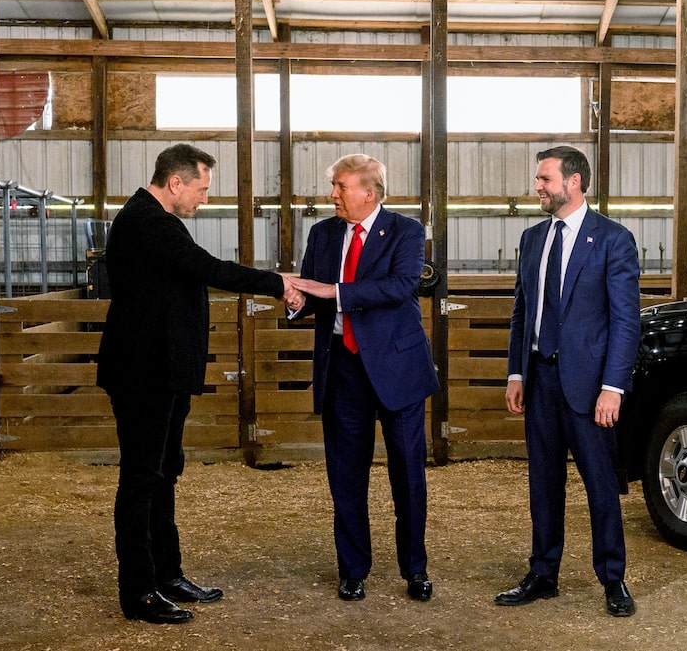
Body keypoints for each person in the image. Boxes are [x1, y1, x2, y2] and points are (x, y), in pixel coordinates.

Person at [96, 144, 300, 624]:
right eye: (202, 189)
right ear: (176, 183)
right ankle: (139, 590)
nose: (204, 199)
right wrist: (277, 282)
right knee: (142, 478)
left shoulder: (156, 220)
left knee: (164, 472)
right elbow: (210, 269)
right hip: (144, 372)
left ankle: (167, 574)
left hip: (163, 369)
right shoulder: (149, 222)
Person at [287, 154, 439, 603]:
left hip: (398, 369)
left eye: (339, 186)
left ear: (368, 193)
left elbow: (400, 286)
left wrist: (333, 292)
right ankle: (353, 569)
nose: (332, 193)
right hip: (343, 369)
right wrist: (297, 300)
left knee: (408, 475)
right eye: (333, 186)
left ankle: (415, 568)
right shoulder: (323, 233)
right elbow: (313, 293)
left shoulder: (407, 232)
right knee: (346, 475)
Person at [497, 146, 641, 617]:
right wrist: (516, 372)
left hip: (590, 386)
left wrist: (613, 387)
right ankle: (543, 573)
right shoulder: (532, 238)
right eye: (538, 179)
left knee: (600, 485)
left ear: (574, 181)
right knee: (543, 482)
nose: (537, 186)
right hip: (539, 379)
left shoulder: (613, 240)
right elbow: (523, 310)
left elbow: (625, 321)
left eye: (544, 179)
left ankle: (613, 579)